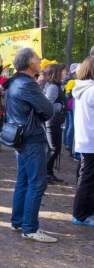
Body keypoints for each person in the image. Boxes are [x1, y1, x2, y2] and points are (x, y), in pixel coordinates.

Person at [3, 48, 56, 243]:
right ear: (29, 63)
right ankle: (30, 227)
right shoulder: (27, 84)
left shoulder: (15, 81)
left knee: (24, 181)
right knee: (36, 183)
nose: (40, 61)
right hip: (31, 138)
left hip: (21, 137)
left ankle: (19, 222)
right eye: (37, 58)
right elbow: (48, 110)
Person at [72, 57, 94, 227]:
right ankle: (81, 214)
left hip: (85, 139)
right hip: (90, 140)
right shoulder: (91, 90)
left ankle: (84, 212)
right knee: (87, 178)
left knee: (86, 176)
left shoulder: (82, 89)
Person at [43, 63, 68, 183]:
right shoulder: (53, 87)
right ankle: (46, 173)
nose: (65, 73)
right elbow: (48, 104)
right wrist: (60, 106)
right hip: (52, 121)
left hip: (55, 121)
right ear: (57, 73)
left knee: (55, 148)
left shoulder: (56, 86)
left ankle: (49, 172)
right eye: (63, 71)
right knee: (54, 149)